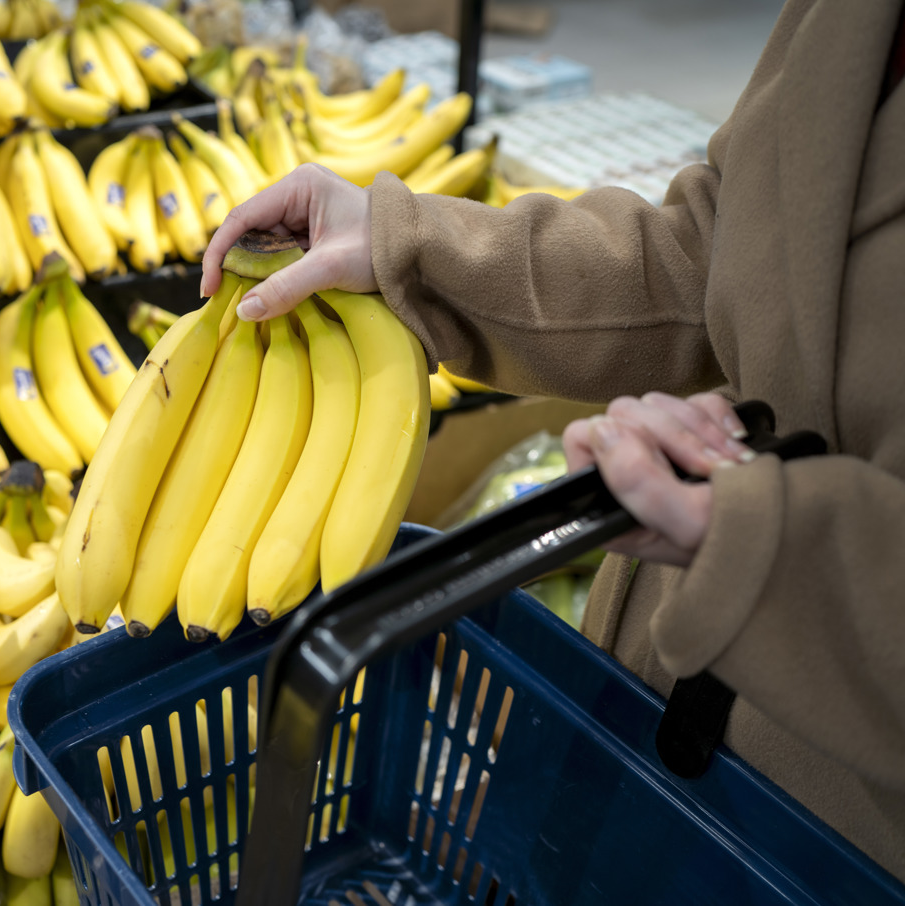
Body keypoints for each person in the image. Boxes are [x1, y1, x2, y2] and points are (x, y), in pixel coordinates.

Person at [199, 0, 905, 882]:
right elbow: (724, 241)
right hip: (649, 688)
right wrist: (410, 246)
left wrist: (763, 540)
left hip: (827, 818)